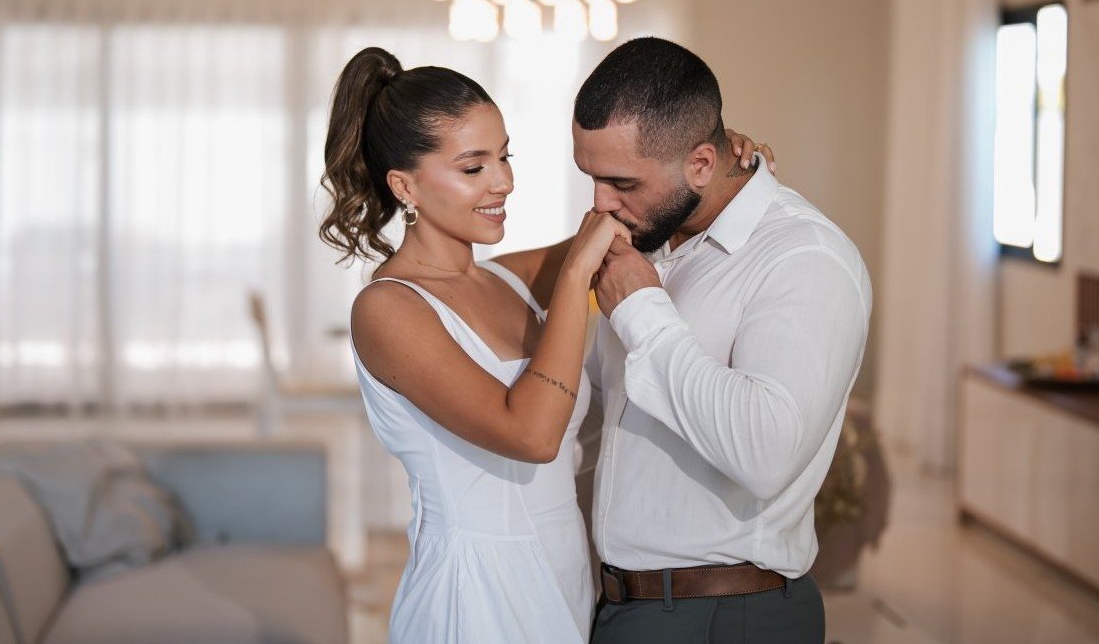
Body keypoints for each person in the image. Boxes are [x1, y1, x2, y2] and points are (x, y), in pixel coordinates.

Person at [318, 46, 770, 643]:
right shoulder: (388, 309)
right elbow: (531, 435)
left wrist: (706, 157)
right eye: (473, 167)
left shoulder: (508, 280)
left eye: (504, 157)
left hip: (566, 577)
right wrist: (576, 275)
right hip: (477, 594)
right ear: (405, 185)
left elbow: (634, 217)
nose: (504, 181)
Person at [574, 37, 872, 643]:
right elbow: (606, 419)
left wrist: (642, 311)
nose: (600, 203)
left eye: (621, 181)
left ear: (702, 164)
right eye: (592, 177)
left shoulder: (805, 257)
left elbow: (766, 454)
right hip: (629, 607)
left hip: (727, 615)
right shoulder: (651, 240)